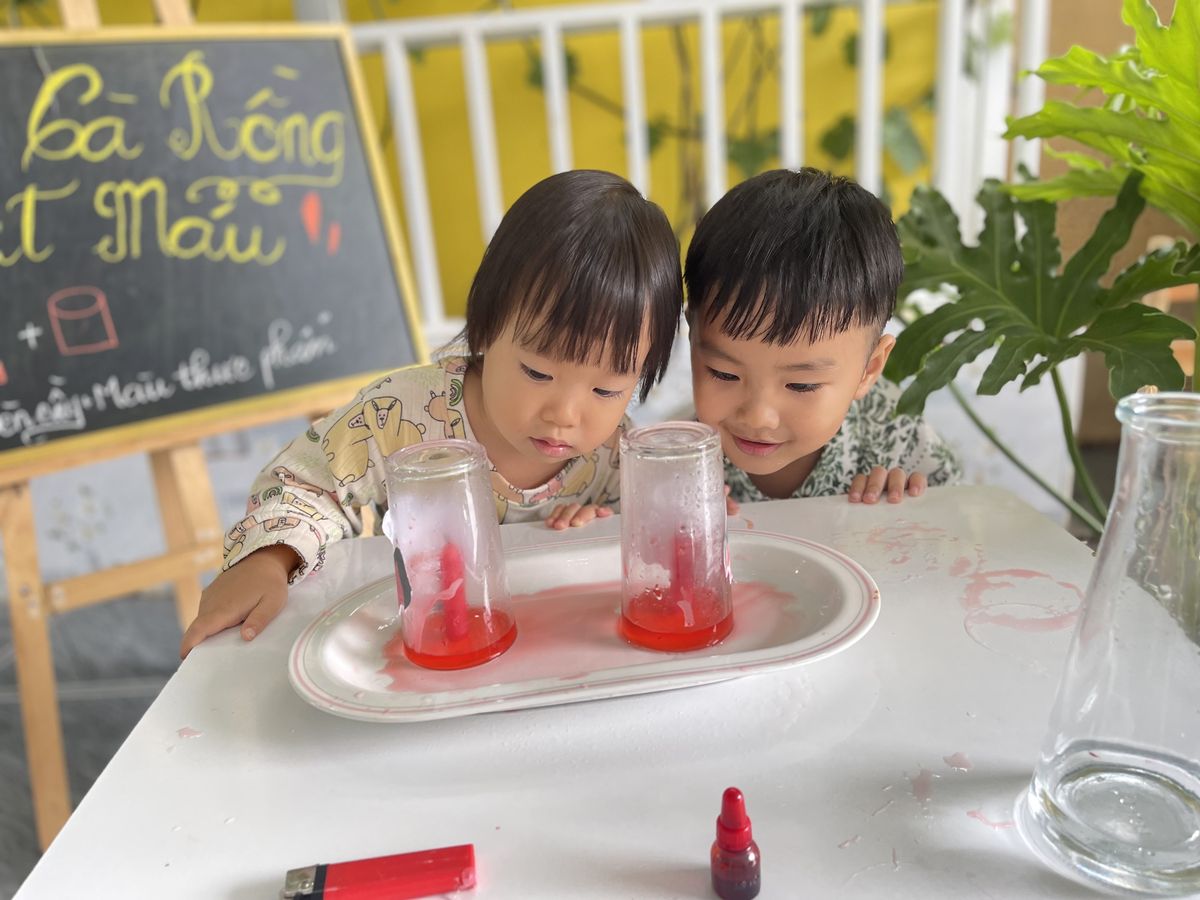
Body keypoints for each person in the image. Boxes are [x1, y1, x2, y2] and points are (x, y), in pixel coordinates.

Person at [180, 170, 682, 657]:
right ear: (484, 327)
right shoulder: (400, 414)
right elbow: (303, 484)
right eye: (537, 372)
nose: (566, 414)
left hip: (551, 652)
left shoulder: (617, 454)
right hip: (428, 642)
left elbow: (656, 535)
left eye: (606, 389)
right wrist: (270, 559)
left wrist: (601, 521)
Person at [685, 168, 960, 508]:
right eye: (724, 374)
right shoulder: (677, 457)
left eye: (801, 385)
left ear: (870, 369)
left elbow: (961, 522)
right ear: (692, 337)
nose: (758, 417)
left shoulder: (900, 442)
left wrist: (908, 514)